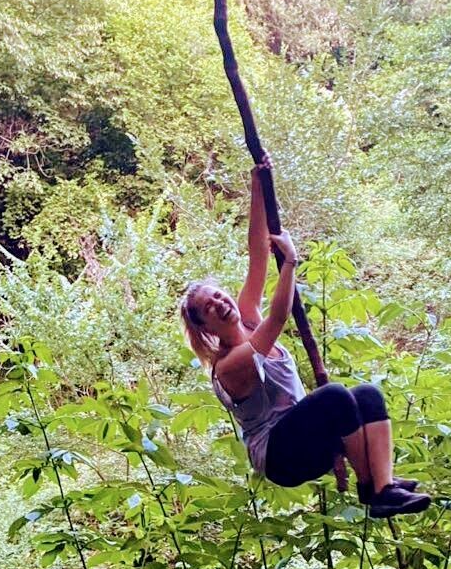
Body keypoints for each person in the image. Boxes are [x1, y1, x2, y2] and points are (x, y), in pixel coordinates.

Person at [179, 159, 430, 517]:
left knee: (367, 395)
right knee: (334, 397)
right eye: (209, 307)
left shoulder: (248, 316)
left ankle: (384, 484)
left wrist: (258, 185)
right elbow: (280, 316)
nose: (220, 303)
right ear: (205, 327)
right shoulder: (229, 366)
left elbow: (258, 252)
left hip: (306, 437)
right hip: (282, 458)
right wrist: (292, 262)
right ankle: (371, 489)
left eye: (219, 296)